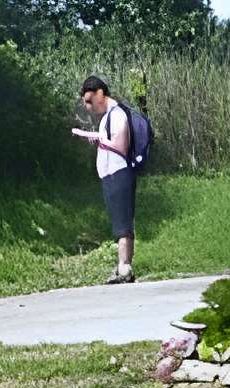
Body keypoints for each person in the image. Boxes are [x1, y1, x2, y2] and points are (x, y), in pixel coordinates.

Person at [74, 75, 141, 285]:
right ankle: (122, 266)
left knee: (123, 222)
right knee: (118, 221)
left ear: (100, 93)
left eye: (89, 100)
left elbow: (120, 146)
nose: (88, 106)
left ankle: (125, 268)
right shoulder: (106, 118)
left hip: (119, 173)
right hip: (110, 175)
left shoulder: (118, 114)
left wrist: (99, 139)